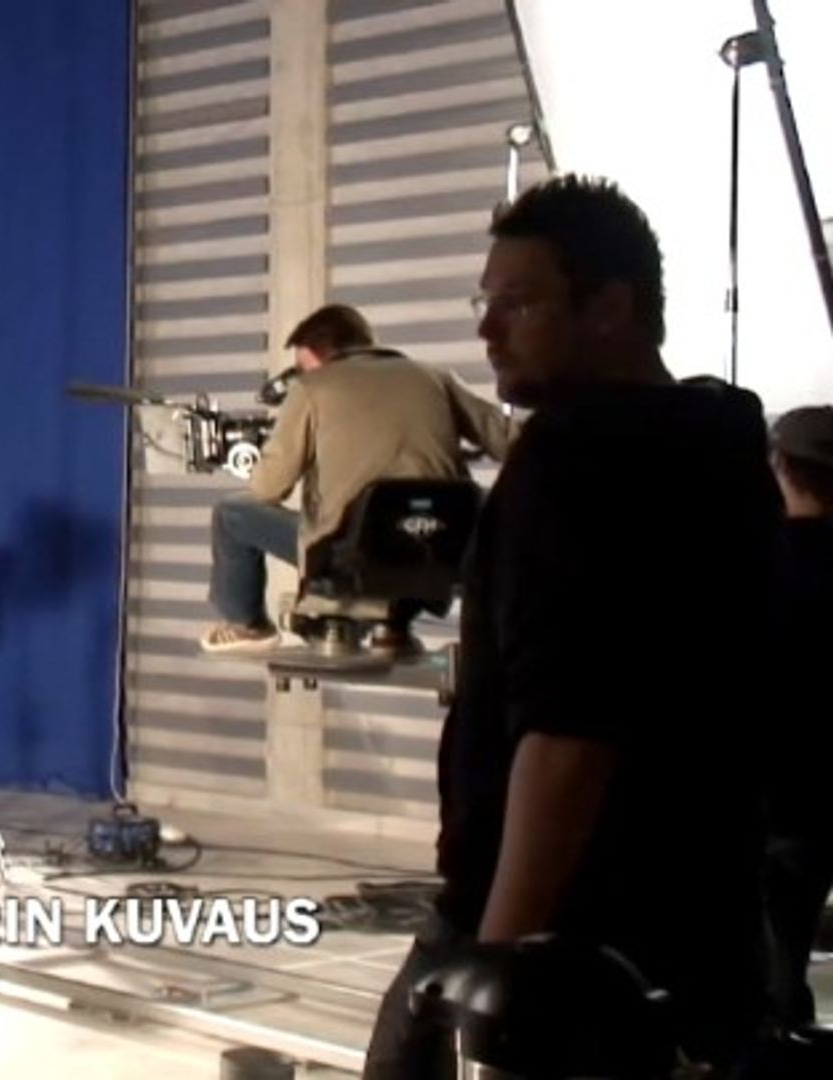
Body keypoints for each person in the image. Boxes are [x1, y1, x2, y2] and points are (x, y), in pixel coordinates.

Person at [362, 175, 785, 1078]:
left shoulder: (570, 460)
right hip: (706, 927)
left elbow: (568, 738)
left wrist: (496, 974)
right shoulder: (725, 441)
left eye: (517, 303)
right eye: (483, 303)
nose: (487, 329)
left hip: (564, 942)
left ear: (610, 308)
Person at [202, 303, 515, 653]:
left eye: (303, 367)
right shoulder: (434, 377)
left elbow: (267, 488)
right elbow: (513, 443)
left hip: (353, 559)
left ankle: (248, 626)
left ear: (321, 357)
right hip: (445, 553)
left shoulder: (312, 388)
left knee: (232, 513)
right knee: (420, 519)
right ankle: (393, 628)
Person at [758, 405, 833, 1034]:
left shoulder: (757, 564)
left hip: (775, 796)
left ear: (779, 464)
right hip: (821, 797)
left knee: (770, 970)